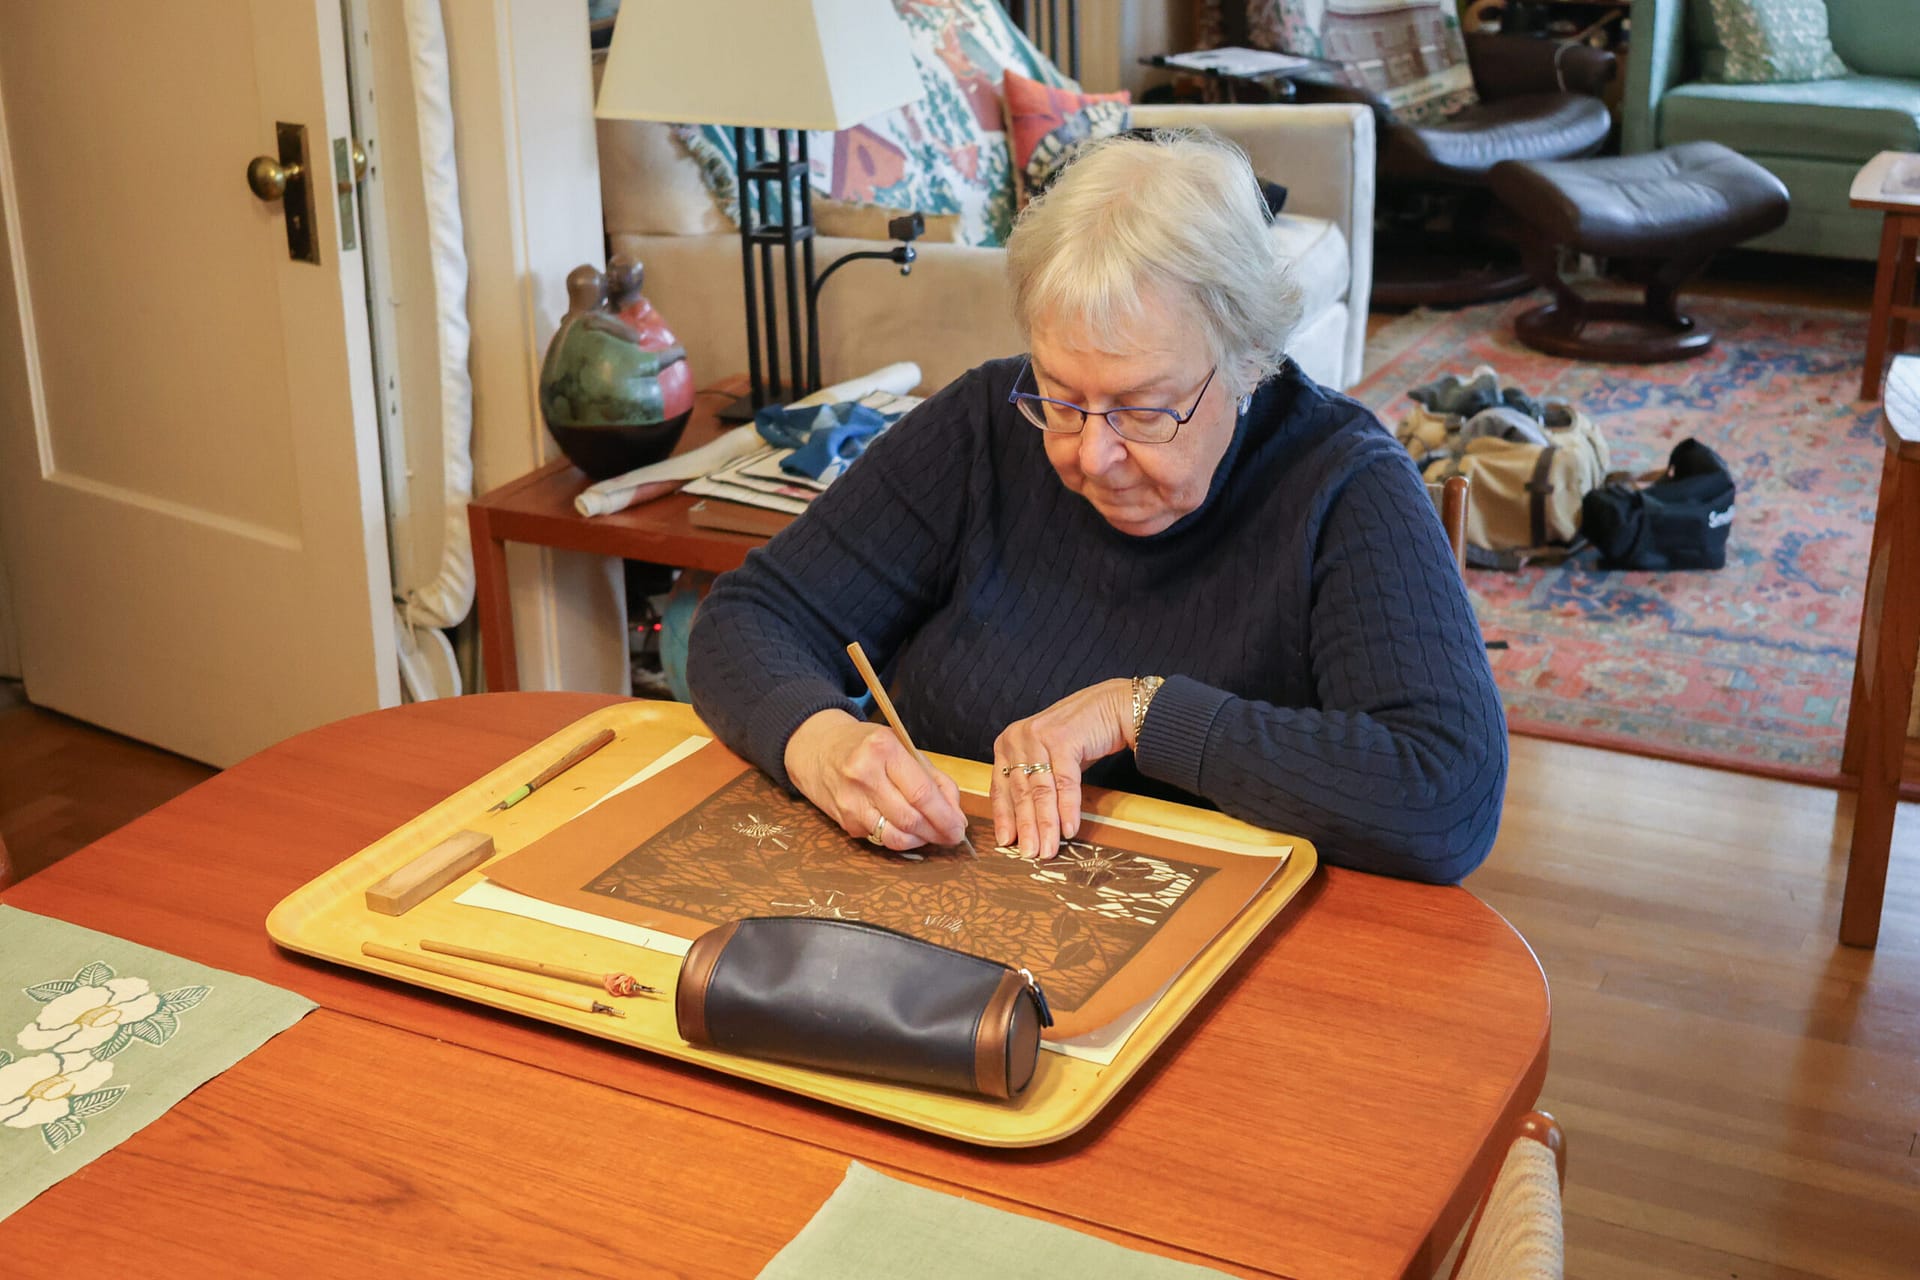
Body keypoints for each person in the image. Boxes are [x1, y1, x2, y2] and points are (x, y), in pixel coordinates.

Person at [687, 129, 1506, 884]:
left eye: (1144, 411)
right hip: (942, 915)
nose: (1090, 453)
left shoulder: (1343, 484)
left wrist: (1143, 710)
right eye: (1062, 397)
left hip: (1230, 970)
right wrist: (822, 740)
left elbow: (1445, 793)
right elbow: (752, 617)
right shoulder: (984, 424)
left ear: (1248, 363)